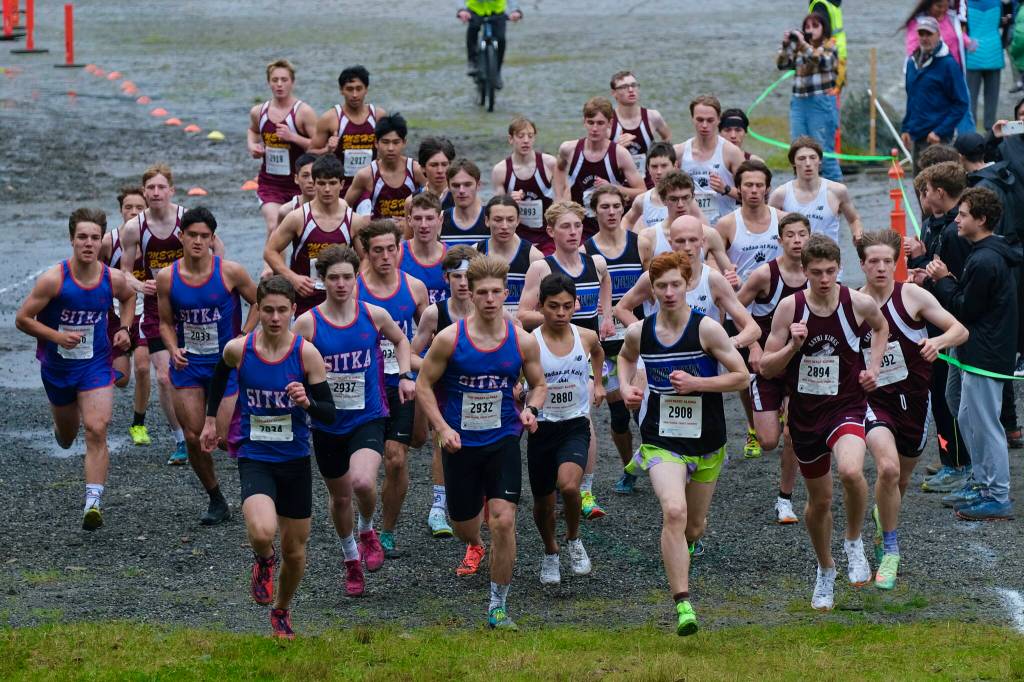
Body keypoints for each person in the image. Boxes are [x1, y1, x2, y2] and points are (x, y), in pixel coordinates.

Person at [617, 251, 749, 636]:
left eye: (676, 284)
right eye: (661, 286)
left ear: (688, 283)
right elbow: (625, 358)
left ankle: (686, 546)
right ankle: (683, 603)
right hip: (661, 440)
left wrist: (697, 384)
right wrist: (626, 387)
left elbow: (741, 377)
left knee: (694, 526)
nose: (669, 292)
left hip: (707, 441)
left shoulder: (707, 329)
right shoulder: (640, 332)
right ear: (652, 290)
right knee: (673, 511)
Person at [416, 255, 546, 631]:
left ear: (506, 293)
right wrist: (442, 428)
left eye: (496, 292)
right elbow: (423, 385)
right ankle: (473, 543)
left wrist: (531, 410)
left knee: (503, 521)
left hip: (503, 438)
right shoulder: (449, 339)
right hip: (460, 444)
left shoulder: (521, 341)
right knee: (463, 523)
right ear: (470, 295)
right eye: (483, 292)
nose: (490, 299)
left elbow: (539, 384)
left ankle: (498, 606)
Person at [200, 275, 334, 639]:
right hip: (255, 454)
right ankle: (263, 559)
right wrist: (211, 421)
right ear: (257, 310)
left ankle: (282, 609)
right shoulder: (239, 349)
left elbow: (329, 413)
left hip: (294, 459)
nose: (275, 318)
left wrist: (307, 401)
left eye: (282, 311)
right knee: (262, 532)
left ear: (294, 311)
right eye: (268, 310)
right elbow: (220, 374)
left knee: (295, 550)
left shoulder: (305, 354)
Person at [760, 234, 888, 611]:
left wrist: (873, 367)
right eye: (816, 272)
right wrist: (792, 347)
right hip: (806, 416)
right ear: (804, 271)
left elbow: (881, 327)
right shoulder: (790, 308)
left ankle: (853, 541)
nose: (824, 279)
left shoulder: (857, 302)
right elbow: (766, 367)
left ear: (840, 268)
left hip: (846, 406)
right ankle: (825, 569)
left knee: (851, 470)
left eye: (831, 271)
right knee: (820, 502)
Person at [293, 245, 415, 596]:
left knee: (362, 482)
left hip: (368, 416)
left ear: (355, 278)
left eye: (347, 277)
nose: (341, 284)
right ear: (322, 280)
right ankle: (350, 559)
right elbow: (290, 362)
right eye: (334, 278)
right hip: (327, 423)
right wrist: (307, 375)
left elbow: (401, 340)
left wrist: (405, 375)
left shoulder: (373, 315)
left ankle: (367, 530)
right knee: (340, 497)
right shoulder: (308, 323)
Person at [858, 229, 968, 588]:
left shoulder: (912, 296)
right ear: (862, 264)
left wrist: (938, 341)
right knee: (887, 469)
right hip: (874, 403)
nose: (880, 267)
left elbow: (959, 330)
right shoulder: (854, 303)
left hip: (915, 402)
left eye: (887, 261)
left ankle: (883, 520)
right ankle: (890, 550)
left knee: (899, 480)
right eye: (873, 261)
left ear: (896, 264)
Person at [15, 208, 137, 531]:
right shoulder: (54, 279)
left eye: (95, 238)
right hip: (58, 368)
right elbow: (22, 319)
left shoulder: (111, 278)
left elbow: (128, 297)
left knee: (97, 428)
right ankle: (62, 429)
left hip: (95, 364)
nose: (88, 243)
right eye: (82, 237)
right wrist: (57, 337)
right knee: (69, 437)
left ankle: (92, 502)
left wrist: (124, 328)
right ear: (72, 240)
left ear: (101, 241)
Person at [157, 207, 258, 526]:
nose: (198, 241)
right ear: (181, 237)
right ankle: (216, 499)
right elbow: (165, 323)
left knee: (223, 436)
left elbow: (259, 301)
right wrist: (172, 348)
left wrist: (243, 336)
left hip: (223, 365)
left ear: (213, 239)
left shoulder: (230, 272)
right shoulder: (167, 277)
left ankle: (259, 484)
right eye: (192, 235)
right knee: (193, 436)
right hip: (188, 365)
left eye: (205, 236)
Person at [119, 164, 225, 466]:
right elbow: (125, 271)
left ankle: (209, 423)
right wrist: (141, 285)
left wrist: (207, 282)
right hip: (157, 306)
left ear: (171, 190)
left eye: (161, 187)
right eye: (150, 188)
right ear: (144, 192)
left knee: (202, 368)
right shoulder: (134, 228)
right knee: (165, 376)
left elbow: (219, 252)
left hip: (191, 305)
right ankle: (180, 439)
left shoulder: (188, 220)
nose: (156, 193)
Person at [927, 187, 1019, 521]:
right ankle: (981, 482)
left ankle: (997, 495)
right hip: (978, 350)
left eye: (963, 215)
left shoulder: (984, 259)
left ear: (981, 219)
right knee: (966, 414)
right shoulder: (984, 254)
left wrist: (943, 281)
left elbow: (965, 308)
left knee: (986, 425)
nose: (957, 219)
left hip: (985, 354)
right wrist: (949, 280)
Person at [357, 220, 429, 557]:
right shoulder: (354, 289)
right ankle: (363, 524)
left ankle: (385, 532)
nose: (385, 256)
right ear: (366, 252)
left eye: (391, 249)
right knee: (364, 466)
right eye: (378, 250)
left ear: (400, 248)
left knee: (397, 459)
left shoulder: (414, 288)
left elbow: (426, 335)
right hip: (365, 386)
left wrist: (422, 372)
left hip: (401, 381)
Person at [529, 273, 604, 584]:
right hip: (542, 427)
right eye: (553, 306)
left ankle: (574, 539)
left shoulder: (586, 336)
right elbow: (518, 377)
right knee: (543, 504)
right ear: (540, 306)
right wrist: (521, 395)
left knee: (570, 487)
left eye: (567, 306)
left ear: (576, 305)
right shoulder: (530, 342)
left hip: (575, 423)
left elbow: (598, 352)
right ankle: (550, 550)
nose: (560, 313)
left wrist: (598, 382)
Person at [736, 213, 810, 525]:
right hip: (767, 365)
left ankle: (784, 500)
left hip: (801, 367)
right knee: (768, 441)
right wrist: (753, 345)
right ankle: (771, 416)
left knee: (792, 435)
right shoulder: (765, 275)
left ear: (810, 237)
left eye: (802, 234)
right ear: (780, 240)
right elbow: (736, 309)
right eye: (790, 235)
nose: (797, 240)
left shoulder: (818, 274)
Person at [906, 161, 974, 491]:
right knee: (941, 396)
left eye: (926, 191)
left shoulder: (952, 234)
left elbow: (955, 285)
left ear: (940, 192)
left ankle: (959, 463)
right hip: (938, 323)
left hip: (948, 327)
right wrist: (921, 265)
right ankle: (951, 457)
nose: (922, 197)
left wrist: (924, 270)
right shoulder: (936, 227)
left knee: (949, 399)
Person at [410, 246, 485, 538]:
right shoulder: (435, 313)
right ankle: (438, 507)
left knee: (483, 443)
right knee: (441, 441)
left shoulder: (489, 309)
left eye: (468, 276)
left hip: (481, 389)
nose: (463, 283)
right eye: (457, 276)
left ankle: (482, 500)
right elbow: (411, 355)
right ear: (446, 278)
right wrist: (437, 368)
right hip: (446, 389)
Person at [716, 160, 787, 459]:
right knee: (746, 372)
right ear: (739, 188)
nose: (754, 190)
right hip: (742, 309)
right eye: (748, 185)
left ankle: (783, 412)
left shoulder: (782, 219)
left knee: (784, 365)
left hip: (780, 307)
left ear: (767, 188)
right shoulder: (727, 224)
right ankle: (753, 426)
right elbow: (713, 259)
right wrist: (725, 274)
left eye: (759, 185)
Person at [584, 186, 645, 493]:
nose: (611, 212)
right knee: (619, 415)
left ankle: (660, 460)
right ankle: (628, 468)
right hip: (605, 342)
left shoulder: (640, 243)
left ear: (623, 208)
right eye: (604, 206)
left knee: (643, 407)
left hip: (636, 336)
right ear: (594, 211)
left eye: (616, 206)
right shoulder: (586, 249)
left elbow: (654, 285)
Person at [264, 155, 368, 317]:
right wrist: (292, 278)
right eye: (321, 183)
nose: (327, 189)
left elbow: (365, 259)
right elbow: (270, 251)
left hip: (341, 300)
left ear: (341, 184)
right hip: (305, 300)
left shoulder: (354, 221)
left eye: (332, 183)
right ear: (314, 183)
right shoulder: (298, 217)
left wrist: (354, 285)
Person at [246, 59, 317, 257]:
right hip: (271, 183)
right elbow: (253, 131)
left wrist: (293, 137)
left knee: (303, 230)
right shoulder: (259, 112)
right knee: (274, 224)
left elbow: (318, 146)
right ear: (268, 82)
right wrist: (253, 146)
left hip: (301, 183)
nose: (279, 84)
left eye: (284, 80)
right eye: (275, 80)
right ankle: (272, 270)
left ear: (292, 82)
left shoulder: (303, 112)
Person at [553, 97, 646, 240]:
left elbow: (642, 192)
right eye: (591, 122)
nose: (595, 129)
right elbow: (559, 168)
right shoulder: (569, 149)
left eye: (600, 123)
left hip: (611, 229)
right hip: (580, 229)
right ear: (584, 122)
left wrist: (614, 188)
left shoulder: (620, 154)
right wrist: (559, 199)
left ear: (610, 123)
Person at [101, 186, 151, 446]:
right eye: (128, 207)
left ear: (147, 210)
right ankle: (92, 395)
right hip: (116, 314)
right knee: (121, 379)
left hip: (146, 312)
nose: (133, 212)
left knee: (143, 367)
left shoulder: (155, 238)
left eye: (139, 207)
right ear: (121, 210)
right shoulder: (108, 242)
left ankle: (138, 424)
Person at [776, 13, 842, 181]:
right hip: (799, 102)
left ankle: (836, 192)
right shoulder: (798, 47)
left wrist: (803, 44)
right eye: (807, 27)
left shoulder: (830, 45)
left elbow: (824, 62)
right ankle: (801, 191)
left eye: (815, 26)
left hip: (820, 103)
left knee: (824, 153)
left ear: (824, 28)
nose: (811, 30)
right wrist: (787, 44)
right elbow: (782, 64)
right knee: (798, 150)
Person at [901, 15, 971, 170]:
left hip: (939, 140)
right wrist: (906, 128)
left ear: (938, 35)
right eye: (921, 33)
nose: (925, 38)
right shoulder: (911, 63)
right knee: (919, 184)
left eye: (929, 34)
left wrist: (939, 131)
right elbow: (911, 99)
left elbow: (961, 103)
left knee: (938, 183)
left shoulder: (949, 65)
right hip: (917, 137)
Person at [769, 136, 864, 246]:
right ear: (793, 162)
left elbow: (854, 220)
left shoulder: (838, 191)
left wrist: (857, 233)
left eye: (813, 157)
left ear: (820, 160)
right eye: (802, 159)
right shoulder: (780, 195)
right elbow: (768, 229)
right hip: (796, 256)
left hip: (829, 255)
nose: (808, 163)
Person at [634, 170, 730, 272]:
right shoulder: (648, 237)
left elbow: (729, 273)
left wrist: (732, 277)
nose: (680, 204)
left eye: (685, 198)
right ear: (663, 200)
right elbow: (643, 278)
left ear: (693, 197)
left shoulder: (709, 234)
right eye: (674, 199)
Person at [309, 66, 384, 194]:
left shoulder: (378, 116)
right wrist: (327, 150)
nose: (354, 95)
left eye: (359, 89)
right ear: (341, 90)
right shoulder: (330, 118)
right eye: (349, 89)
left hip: (371, 186)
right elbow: (310, 153)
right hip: (340, 187)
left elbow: (393, 150)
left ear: (366, 89)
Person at [491, 116, 557, 255]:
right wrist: (508, 201)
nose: (526, 140)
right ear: (511, 139)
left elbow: (563, 198)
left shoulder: (550, 164)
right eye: (521, 136)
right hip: (517, 239)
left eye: (530, 136)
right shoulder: (500, 170)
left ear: (534, 138)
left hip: (547, 237)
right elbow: (497, 210)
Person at [674, 95, 744, 225]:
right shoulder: (679, 152)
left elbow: (749, 196)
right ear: (692, 119)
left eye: (710, 120)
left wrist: (726, 189)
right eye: (700, 120)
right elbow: (664, 193)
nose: (704, 125)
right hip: (690, 226)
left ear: (718, 120)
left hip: (723, 226)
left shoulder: (732, 153)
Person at [344, 113, 426, 224]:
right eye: (385, 142)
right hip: (378, 232)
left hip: (410, 231)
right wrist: (361, 223)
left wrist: (408, 222)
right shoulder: (366, 175)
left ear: (404, 143)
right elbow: (344, 208)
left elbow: (435, 204)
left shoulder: (416, 171)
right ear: (376, 143)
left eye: (396, 142)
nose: (390, 148)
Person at [475, 195, 543, 314]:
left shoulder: (534, 257)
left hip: (522, 323)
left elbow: (542, 304)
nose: (504, 226)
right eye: (498, 220)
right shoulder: (475, 253)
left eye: (510, 220)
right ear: (487, 221)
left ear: (518, 221)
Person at [608, 70, 672, 187]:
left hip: (649, 184)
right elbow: (600, 155)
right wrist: (616, 148)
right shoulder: (608, 121)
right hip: (619, 186)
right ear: (614, 93)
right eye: (624, 87)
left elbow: (667, 137)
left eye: (634, 85)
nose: (631, 90)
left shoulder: (652, 116)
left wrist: (658, 157)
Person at [964, 0, 1012, 132]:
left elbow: (964, 29)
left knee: (971, 97)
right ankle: (991, 130)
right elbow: (1005, 23)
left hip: (973, 53)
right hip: (994, 51)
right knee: (992, 98)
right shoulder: (998, 3)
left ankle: (971, 131)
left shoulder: (966, 4)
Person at [458, 1, 523, 90]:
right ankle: (472, 62)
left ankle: (497, 72)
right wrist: (462, 9)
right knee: (473, 30)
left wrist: (515, 10)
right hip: (475, 11)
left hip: (497, 12)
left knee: (501, 39)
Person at [400, 192, 449, 306]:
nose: (423, 225)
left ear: (440, 220)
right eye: (418, 218)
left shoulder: (451, 257)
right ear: (409, 220)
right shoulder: (397, 255)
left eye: (429, 218)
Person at [440, 158, 490, 246]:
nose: (461, 190)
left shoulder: (493, 219)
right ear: (448, 187)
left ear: (478, 185)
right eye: (456, 185)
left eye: (467, 185)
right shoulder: (440, 220)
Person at [409, 136, 457, 217]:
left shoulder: (461, 197)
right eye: (434, 165)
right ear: (423, 168)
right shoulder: (411, 201)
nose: (440, 170)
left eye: (444, 164)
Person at [810, 0, 847, 89]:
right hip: (840, 53)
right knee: (836, 88)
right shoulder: (832, 4)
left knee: (827, 91)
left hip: (827, 56)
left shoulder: (819, 5)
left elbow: (820, 33)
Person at [276, 153, 319, 224]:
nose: (311, 181)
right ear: (296, 179)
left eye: (315, 175)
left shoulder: (333, 207)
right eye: (305, 176)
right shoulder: (286, 211)